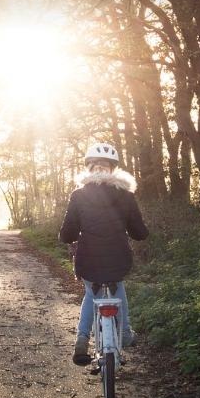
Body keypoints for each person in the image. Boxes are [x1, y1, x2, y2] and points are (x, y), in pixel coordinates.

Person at [59, 142, 149, 366]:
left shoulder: (79, 195)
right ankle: (125, 332)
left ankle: (82, 340)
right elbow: (139, 232)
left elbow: (67, 232)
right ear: (113, 169)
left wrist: (68, 238)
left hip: (88, 258)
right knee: (118, 287)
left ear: (89, 168)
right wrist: (139, 232)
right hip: (119, 257)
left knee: (91, 292)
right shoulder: (126, 195)